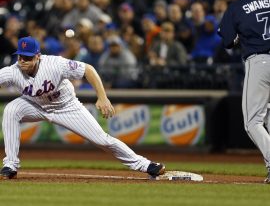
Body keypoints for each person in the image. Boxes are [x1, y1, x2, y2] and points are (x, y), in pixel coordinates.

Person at [0, 36, 165, 179]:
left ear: (38, 56)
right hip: (35, 105)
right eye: (20, 57)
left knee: (102, 140)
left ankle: (144, 165)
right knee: (11, 110)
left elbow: (88, 69)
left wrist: (102, 97)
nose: (22, 61)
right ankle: (11, 165)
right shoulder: (13, 71)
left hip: (66, 107)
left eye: (27, 57)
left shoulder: (55, 64)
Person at [218, 0, 270, 183]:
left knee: (252, 122)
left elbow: (228, 41)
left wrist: (240, 36)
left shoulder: (237, 7)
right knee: (267, 116)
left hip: (259, 62)